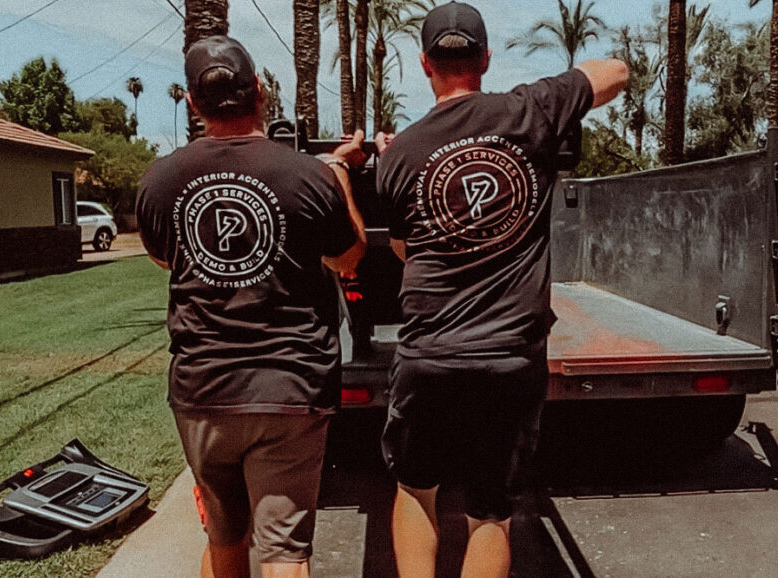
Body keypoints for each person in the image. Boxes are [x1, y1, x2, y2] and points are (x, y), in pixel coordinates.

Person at [374, 2, 628, 576]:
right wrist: (547, 96)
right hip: (510, 358)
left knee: (416, 490)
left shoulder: (401, 155)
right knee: (490, 513)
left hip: (430, 354)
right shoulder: (531, 110)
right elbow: (615, 70)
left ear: (424, 64)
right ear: (485, 60)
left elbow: (403, 250)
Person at [136, 35, 367, 578]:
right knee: (284, 552)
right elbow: (350, 257)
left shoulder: (159, 179)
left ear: (193, 102)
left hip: (203, 390)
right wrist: (339, 177)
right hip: (289, 388)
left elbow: (162, 259)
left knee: (224, 539)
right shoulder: (307, 175)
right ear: (260, 92)